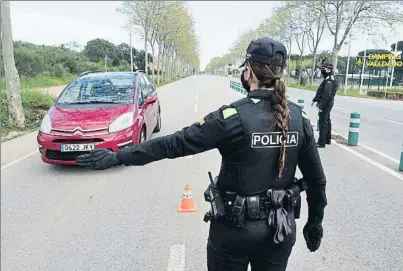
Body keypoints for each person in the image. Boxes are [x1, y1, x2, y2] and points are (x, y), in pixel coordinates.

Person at [76, 37, 328, 271]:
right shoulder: (300, 118)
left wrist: (119, 156)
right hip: (280, 232)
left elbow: (174, 144)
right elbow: (316, 180)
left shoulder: (233, 117)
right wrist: (315, 221)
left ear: (249, 71)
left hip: (234, 232)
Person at [312, 63, 339, 148]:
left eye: (325, 69)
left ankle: (321, 142)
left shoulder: (329, 79)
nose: (323, 70)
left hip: (326, 103)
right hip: (327, 102)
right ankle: (327, 139)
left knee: (323, 122)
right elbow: (322, 91)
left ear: (329, 70)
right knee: (327, 120)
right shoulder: (328, 78)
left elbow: (326, 93)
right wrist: (315, 99)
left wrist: (321, 106)